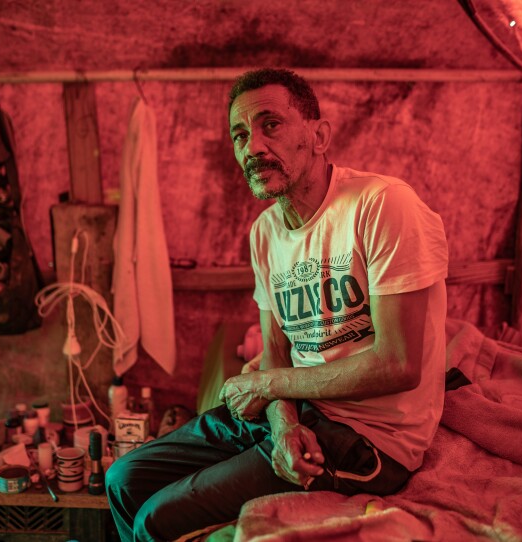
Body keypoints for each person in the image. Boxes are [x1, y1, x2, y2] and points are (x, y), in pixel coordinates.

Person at [106, 68, 449, 542]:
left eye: (271, 125)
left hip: (368, 440)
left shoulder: (382, 205)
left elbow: (398, 364)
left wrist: (268, 385)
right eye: (240, 135)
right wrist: (282, 419)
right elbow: (276, 350)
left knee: (158, 520)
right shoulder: (265, 232)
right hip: (297, 412)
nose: (252, 148)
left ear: (319, 135)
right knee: (123, 480)